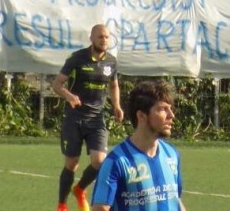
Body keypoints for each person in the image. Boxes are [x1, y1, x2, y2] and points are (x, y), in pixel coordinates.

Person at [53, 24, 124, 211]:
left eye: (107, 37)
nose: (104, 40)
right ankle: (62, 205)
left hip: (96, 119)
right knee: (72, 163)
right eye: (100, 37)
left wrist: (117, 105)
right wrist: (69, 96)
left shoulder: (111, 62)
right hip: (74, 117)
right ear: (91, 38)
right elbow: (57, 84)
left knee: (99, 161)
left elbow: (114, 85)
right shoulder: (77, 58)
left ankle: (80, 189)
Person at [91, 79, 181, 211]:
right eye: (162, 109)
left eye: (170, 109)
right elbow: (100, 208)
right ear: (141, 116)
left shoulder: (171, 154)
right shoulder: (116, 162)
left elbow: (175, 199)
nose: (171, 115)